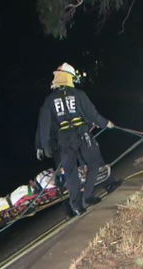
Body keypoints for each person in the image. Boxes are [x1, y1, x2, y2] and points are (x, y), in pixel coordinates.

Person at [37, 62, 115, 216]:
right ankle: (87, 195)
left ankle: (77, 206)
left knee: (70, 172)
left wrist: (43, 145)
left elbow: (45, 123)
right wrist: (106, 123)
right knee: (93, 162)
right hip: (81, 133)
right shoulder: (78, 94)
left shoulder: (50, 99)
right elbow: (91, 113)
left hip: (64, 138)